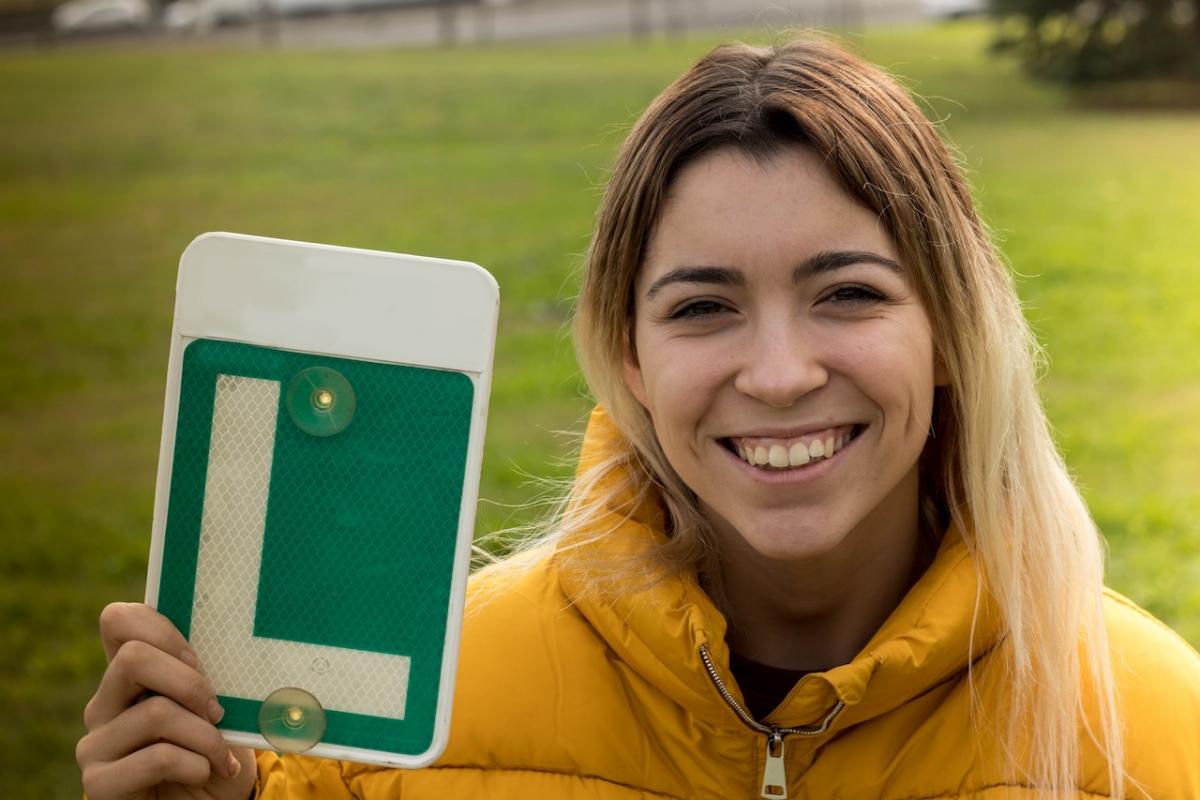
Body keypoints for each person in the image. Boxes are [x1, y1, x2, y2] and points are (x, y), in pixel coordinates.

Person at [77, 36, 1200, 800]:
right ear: (630, 355)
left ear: (954, 330)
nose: (777, 372)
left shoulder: (1152, 728)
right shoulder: (402, 725)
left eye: (848, 292)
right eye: (704, 306)